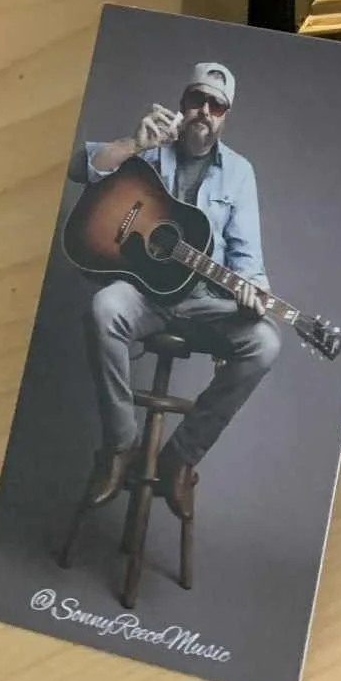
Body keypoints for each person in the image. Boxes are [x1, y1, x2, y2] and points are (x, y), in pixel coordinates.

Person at [67, 59, 280, 517]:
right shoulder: (150, 146)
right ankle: (119, 446)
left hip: (205, 301)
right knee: (105, 308)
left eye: (216, 105)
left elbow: (247, 260)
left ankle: (179, 459)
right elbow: (80, 166)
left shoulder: (239, 173)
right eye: (196, 99)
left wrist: (253, 289)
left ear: (226, 115)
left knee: (264, 344)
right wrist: (133, 143)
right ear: (183, 103)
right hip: (144, 295)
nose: (204, 111)